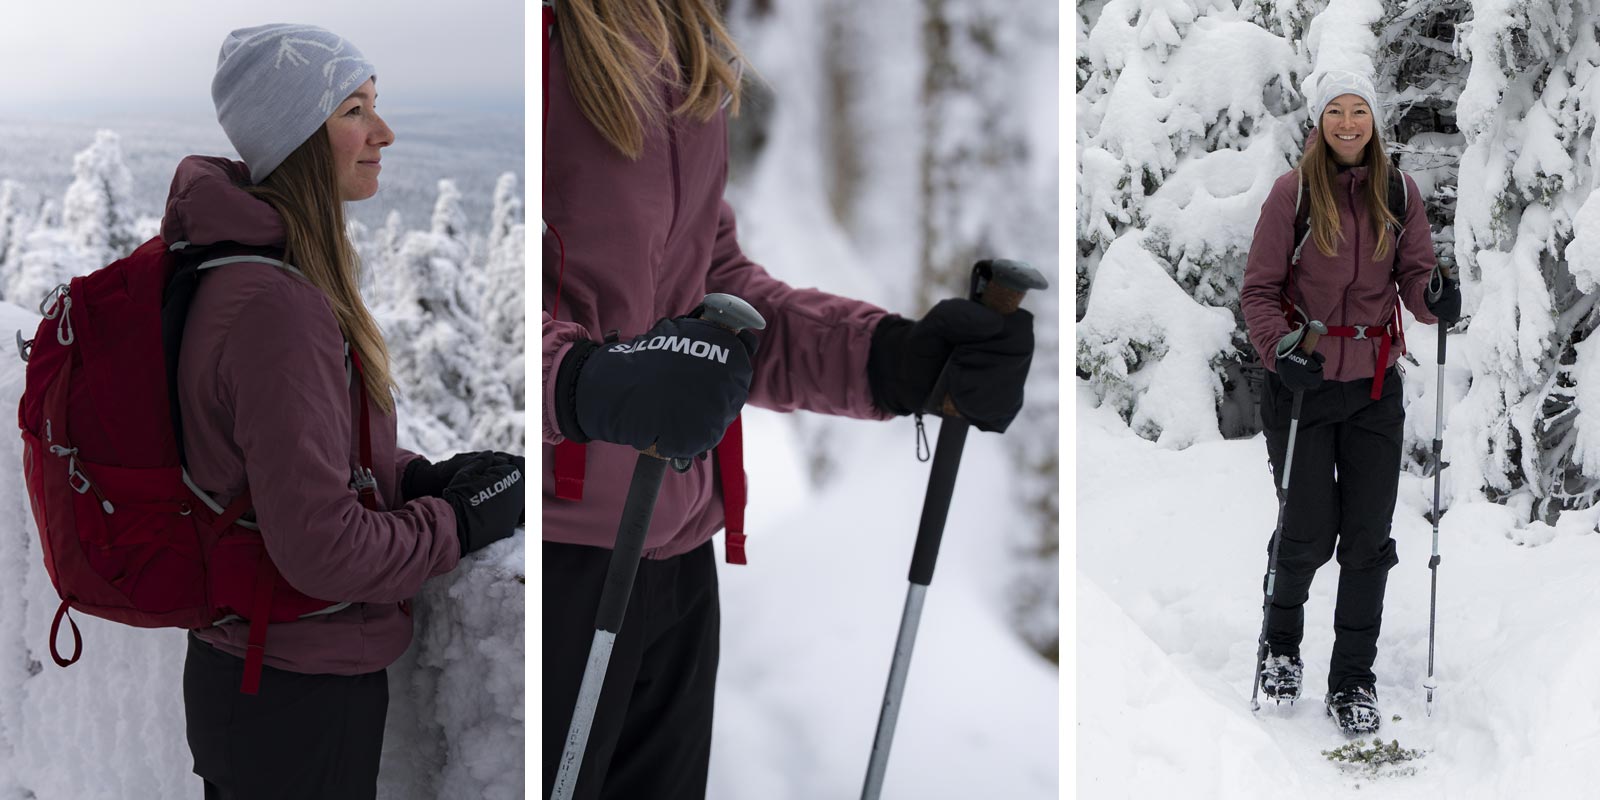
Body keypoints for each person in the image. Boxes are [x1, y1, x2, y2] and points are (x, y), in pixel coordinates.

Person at [541, 1, 1037, 797]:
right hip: (560, 559)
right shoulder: (546, 40)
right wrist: (580, 379)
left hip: (674, 555)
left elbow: (714, 295)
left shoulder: (681, 39)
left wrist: (892, 360)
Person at [171, 24, 524, 799]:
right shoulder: (274, 304)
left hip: (258, 679)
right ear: (296, 135)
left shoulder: (244, 271)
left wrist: (415, 478)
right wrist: (458, 524)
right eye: (353, 111)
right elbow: (322, 550)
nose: (383, 132)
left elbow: (276, 461)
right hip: (294, 701)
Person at [1241, 71, 1463, 735]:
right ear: (1320, 121)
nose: (1347, 123)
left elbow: (1415, 276)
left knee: (1368, 539)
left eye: (1358, 111)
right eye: (1335, 111)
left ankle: (1353, 679)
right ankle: (1281, 646)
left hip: (1373, 388)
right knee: (1307, 533)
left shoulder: (1398, 192)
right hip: (1302, 385)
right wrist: (1280, 350)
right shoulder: (1292, 195)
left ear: (1373, 120)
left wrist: (1434, 298)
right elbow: (1259, 291)